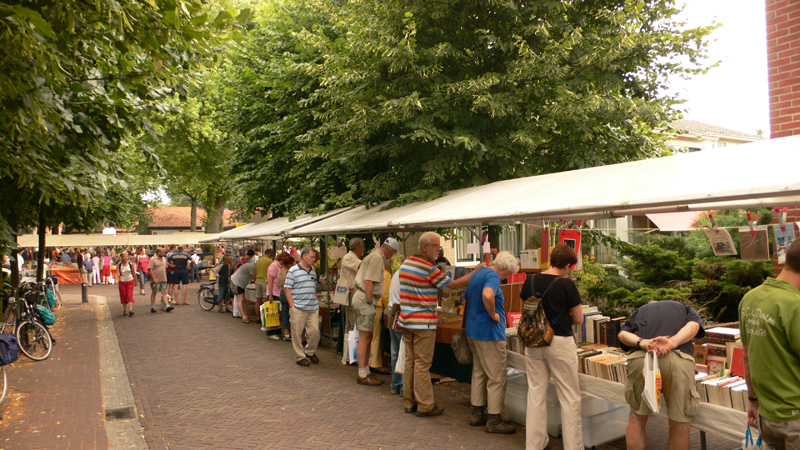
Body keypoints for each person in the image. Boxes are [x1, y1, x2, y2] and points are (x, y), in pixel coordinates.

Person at [399, 231, 481, 417]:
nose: (439, 249)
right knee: (422, 364)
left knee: (410, 361)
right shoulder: (428, 267)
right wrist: (475, 273)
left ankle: (409, 401)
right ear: (424, 247)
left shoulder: (406, 263)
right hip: (423, 323)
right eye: (436, 246)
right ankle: (425, 405)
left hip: (407, 320)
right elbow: (452, 285)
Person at [520, 243, 584, 450]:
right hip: (559, 341)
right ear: (567, 265)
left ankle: (534, 444)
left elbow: (527, 310)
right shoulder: (566, 285)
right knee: (569, 396)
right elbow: (579, 319)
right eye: (570, 267)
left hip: (534, 341)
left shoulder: (530, 280)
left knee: (536, 391)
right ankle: (573, 447)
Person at [617, 300, 704, 450]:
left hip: (642, 359)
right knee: (679, 422)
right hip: (678, 360)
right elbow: (694, 326)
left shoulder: (642, 310)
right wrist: (671, 343)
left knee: (637, 417)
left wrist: (643, 343)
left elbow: (623, 335)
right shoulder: (683, 308)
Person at [739, 238, 800, 450]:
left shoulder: (750, 298)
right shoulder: (795, 304)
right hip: (795, 417)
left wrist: (753, 400)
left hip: (766, 414)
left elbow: (746, 357)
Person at [464, 250, 519, 434]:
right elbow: (488, 295)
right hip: (488, 332)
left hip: (473, 330)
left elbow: (467, 298)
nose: (506, 279)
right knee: (496, 376)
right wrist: (492, 314)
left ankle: (477, 412)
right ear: (504, 269)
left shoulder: (479, 272)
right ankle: (494, 419)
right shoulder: (493, 276)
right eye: (508, 275)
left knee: (479, 371)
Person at [352, 238, 399, 385]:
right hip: (366, 298)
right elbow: (368, 281)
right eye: (394, 253)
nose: (393, 256)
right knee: (365, 337)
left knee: (368, 336)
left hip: (361, 296)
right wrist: (370, 301)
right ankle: (362, 373)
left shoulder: (371, 256)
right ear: (391, 250)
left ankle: (366, 371)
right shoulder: (378, 258)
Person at [284, 247, 320, 367]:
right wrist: (292, 306)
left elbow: (313, 286)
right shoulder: (293, 271)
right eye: (312, 257)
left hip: (312, 307)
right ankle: (300, 356)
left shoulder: (313, 270)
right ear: (304, 256)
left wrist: (316, 300)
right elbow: (287, 288)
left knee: (315, 331)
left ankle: (309, 351)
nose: (314, 259)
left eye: (314, 257)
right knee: (297, 333)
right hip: (298, 307)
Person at [369, 258, 394, 375]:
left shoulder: (372, 272)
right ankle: (375, 363)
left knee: (370, 335)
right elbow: (386, 295)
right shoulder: (386, 275)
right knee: (376, 336)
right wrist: (387, 309)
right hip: (378, 306)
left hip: (369, 304)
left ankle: (368, 360)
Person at [340, 238, 365, 336]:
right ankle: (350, 348)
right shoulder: (349, 257)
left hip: (351, 290)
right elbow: (362, 265)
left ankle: (348, 348)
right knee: (352, 322)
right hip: (350, 290)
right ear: (358, 247)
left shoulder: (352, 257)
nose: (363, 249)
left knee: (351, 322)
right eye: (362, 247)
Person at [386, 269, 403, 395]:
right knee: (403, 353)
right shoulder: (407, 274)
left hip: (392, 313)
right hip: (400, 314)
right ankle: (403, 387)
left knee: (395, 352)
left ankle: (395, 385)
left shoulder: (397, 273)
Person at [269, 252, 293, 340]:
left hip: (282, 293)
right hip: (289, 293)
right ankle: (292, 333)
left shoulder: (280, 272)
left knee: (285, 314)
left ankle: (286, 334)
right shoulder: (289, 272)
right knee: (292, 314)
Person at [231, 252, 257, 323]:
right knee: (241, 298)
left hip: (240, 283)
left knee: (243, 299)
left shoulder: (251, 265)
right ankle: (243, 316)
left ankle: (245, 315)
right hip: (236, 282)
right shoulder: (252, 267)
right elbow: (255, 279)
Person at [255, 248, 274, 330]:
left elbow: (255, 271)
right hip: (265, 282)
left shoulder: (258, 260)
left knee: (257, 300)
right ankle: (265, 319)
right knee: (265, 301)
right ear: (270, 254)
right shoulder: (270, 261)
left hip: (258, 281)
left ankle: (258, 318)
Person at [148, 248, 172, 313]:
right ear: (158, 252)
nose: (164, 253)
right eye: (162, 252)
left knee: (164, 292)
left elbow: (167, 266)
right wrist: (153, 278)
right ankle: (152, 306)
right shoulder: (152, 259)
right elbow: (150, 269)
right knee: (154, 292)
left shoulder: (164, 259)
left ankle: (167, 306)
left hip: (163, 278)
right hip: (156, 279)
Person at [116, 251, 137, 316]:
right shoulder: (119, 264)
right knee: (123, 295)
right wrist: (116, 279)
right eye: (124, 256)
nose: (126, 258)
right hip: (122, 282)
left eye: (127, 256)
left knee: (129, 295)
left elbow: (133, 272)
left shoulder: (130, 264)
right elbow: (117, 272)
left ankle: (130, 310)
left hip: (130, 281)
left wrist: (136, 281)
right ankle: (125, 310)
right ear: (121, 257)